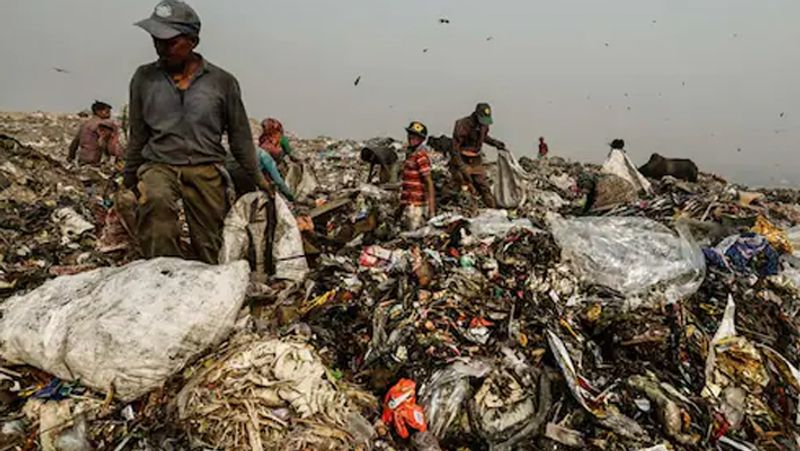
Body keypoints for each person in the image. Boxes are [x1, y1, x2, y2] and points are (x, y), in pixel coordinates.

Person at [125, 0, 270, 264]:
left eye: (170, 42)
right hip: (159, 164)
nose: (160, 47)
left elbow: (239, 138)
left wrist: (259, 180)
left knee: (211, 244)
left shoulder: (222, 82)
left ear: (192, 41)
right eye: (156, 40)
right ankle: (163, 275)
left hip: (206, 167)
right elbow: (138, 135)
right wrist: (128, 181)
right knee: (156, 208)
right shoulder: (144, 78)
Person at [451, 103, 505, 209]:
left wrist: (495, 143)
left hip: (475, 159)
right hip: (462, 157)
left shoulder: (484, 125)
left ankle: (493, 209)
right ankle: (465, 208)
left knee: (483, 185)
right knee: (463, 184)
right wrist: (461, 166)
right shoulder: (463, 125)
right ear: (476, 115)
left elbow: (484, 137)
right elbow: (454, 149)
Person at [399, 121, 436, 230]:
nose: (411, 138)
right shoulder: (410, 155)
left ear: (422, 139)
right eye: (410, 134)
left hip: (417, 206)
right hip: (409, 204)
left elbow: (429, 182)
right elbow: (407, 185)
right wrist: (401, 207)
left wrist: (431, 210)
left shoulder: (421, 156)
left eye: (416, 136)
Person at [68, 101, 123, 166]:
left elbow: (74, 144)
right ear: (98, 112)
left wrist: (70, 157)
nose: (110, 115)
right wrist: (119, 157)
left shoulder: (85, 125)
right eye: (107, 112)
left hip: (82, 161)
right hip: (95, 162)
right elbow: (109, 145)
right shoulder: (104, 125)